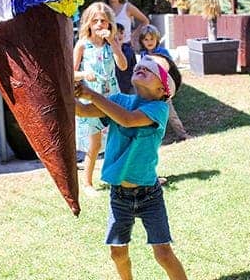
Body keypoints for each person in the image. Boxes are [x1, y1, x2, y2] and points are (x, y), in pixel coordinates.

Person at [74, 54, 188, 280]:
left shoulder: (159, 109)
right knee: (117, 253)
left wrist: (93, 94)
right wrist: (68, 90)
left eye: (154, 67)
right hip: (119, 195)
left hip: (149, 195)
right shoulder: (118, 100)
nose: (144, 65)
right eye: (143, 61)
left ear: (164, 90)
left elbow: (126, 119)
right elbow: (84, 111)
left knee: (163, 254)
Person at [74, 2, 127, 196]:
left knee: (119, 137)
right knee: (94, 143)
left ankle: (119, 177)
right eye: (95, 21)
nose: (99, 24)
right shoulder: (82, 44)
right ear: (88, 23)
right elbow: (69, 73)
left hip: (112, 96)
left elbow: (122, 65)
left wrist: (114, 42)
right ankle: (87, 183)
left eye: (103, 21)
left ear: (109, 24)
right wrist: (83, 74)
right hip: (91, 98)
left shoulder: (111, 43)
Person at [139, 26, 191, 144]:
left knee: (171, 113)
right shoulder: (143, 54)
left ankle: (182, 134)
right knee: (151, 113)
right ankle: (152, 137)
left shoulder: (163, 53)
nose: (149, 42)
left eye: (151, 39)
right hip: (149, 90)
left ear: (157, 39)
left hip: (162, 89)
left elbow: (170, 70)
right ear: (142, 41)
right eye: (146, 40)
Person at [104, 0, 150, 85]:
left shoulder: (127, 7)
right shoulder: (103, 9)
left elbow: (145, 21)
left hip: (125, 49)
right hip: (108, 49)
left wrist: (134, 35)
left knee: (127, 84)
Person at [115, 22, 137, 94]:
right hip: (114, 86)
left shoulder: (129, 50)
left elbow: (134, 68)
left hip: (128, 86)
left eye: (121, 33)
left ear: (124, 35)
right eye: (116, 33)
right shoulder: (107, 50)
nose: (119, 36)